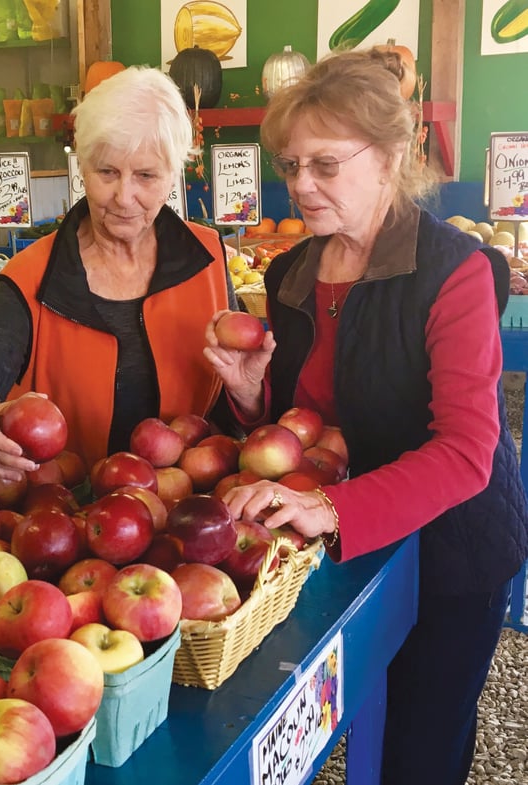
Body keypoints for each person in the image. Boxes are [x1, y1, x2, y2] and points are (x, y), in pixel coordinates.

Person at [204, 47, 528, 785]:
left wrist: (328, 505)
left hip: (452, 545)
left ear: (387, 156)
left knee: (422, 740)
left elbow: (466, 451)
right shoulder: (289, 274)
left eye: (324, 164)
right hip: (343, 548)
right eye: (288, 166)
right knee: (346, 725)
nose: (300, 186)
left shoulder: (454, 273)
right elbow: (305, 422)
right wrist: (252, 395)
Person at [0, 65, 237, 479]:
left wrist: (249, 393)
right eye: (107, 172)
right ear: (82, 167)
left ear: (173, 176)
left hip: (189, 510)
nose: (124, 197)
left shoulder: (208, 257)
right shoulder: (32, 274)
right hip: (63, 512)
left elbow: (233, 402)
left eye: (146, 175)